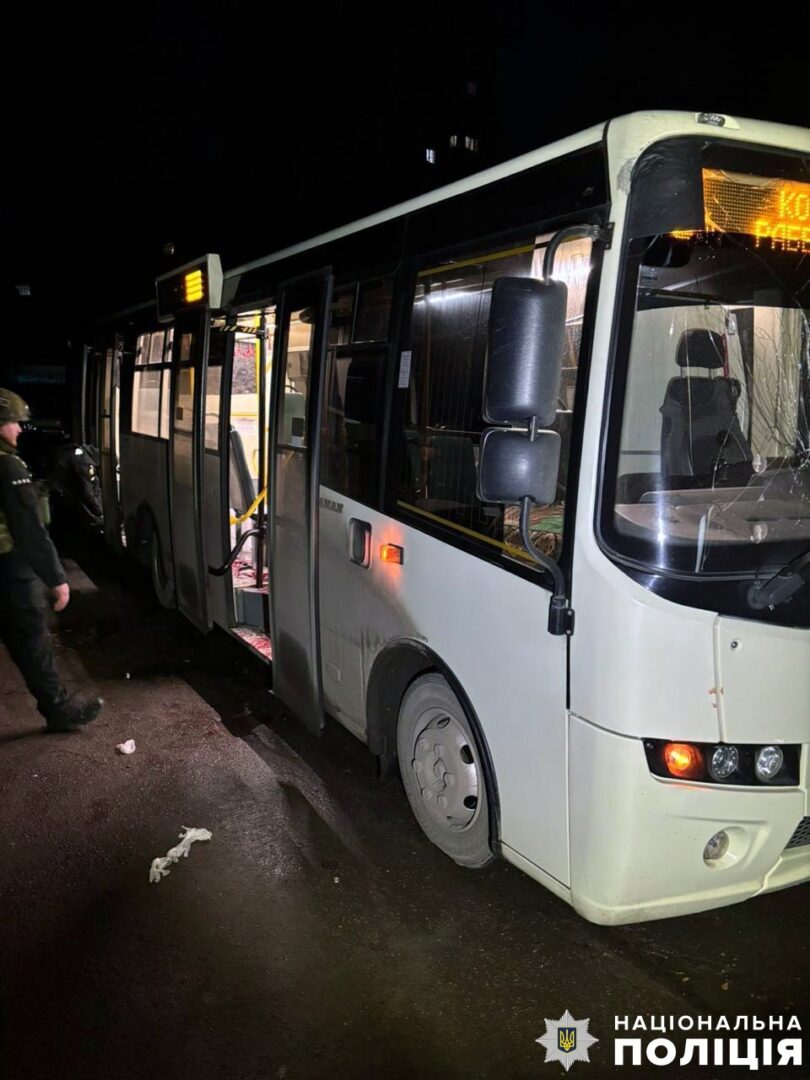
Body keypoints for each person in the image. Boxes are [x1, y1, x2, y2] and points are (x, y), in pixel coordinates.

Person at [0, 388, 102, 732]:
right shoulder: (8, 464)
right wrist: (57, 579)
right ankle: (58, 711)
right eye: (13, 422)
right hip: (10, 569)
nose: (18, 430)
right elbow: (28, 528)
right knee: (31, 640)